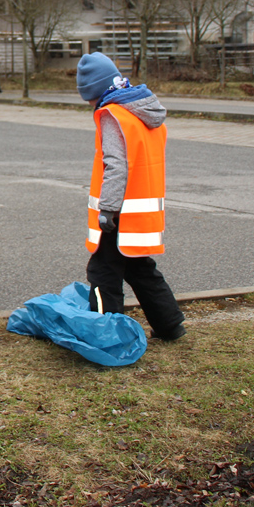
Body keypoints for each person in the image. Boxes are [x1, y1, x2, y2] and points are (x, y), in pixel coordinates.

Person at [76, 52, 186, 342]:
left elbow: (116, 165)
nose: (89, 104)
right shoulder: (142, 111)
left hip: (119, 211)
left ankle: (105, 335)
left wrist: (108, 208)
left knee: (102, 272)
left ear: (97, 91)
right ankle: (170, 324)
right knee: (139, 268)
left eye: (88, 96)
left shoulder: (113, 115)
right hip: (141, 207)